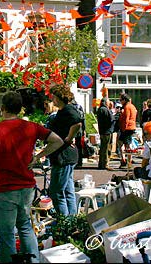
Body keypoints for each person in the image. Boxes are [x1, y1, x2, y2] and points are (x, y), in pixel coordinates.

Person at [0, 91, 63, 263]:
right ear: (20, 109)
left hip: (7, 188)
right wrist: (39, 156)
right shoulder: (31, 127)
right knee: (25, 226)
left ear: (2, 108)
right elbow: (57, 140)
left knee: (6, 233)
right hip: (27, 186)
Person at [46, 85, 82, 216]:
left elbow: (77, 123)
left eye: (53, 97)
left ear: (58, 98)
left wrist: (69, 138)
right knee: (67, 191)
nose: (52, 99)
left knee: (56, 192)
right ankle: (72, 220)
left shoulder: (67, 110)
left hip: (63, 156)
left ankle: (64, 221)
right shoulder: (64, 111)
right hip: (66, 155)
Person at [118, 93, 138, 169]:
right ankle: (128, 160)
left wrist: (123, 128)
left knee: (123, 144)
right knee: (127, 144)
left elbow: (126, 118)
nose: (120, 102)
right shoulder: (132, 106)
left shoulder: (127, 107)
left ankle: (125, 160)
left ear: (124, 100)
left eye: (121, 100)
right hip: (132, 126)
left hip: (127, 128)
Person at [96, 97, 114, 170]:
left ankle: (101, 164)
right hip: (107, 131)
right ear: (106, 102)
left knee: (102, 148)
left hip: (102, 130)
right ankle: (106, 164)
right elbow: (111, 119)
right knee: (106, 148)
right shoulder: (105, 110)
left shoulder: (100, 109)